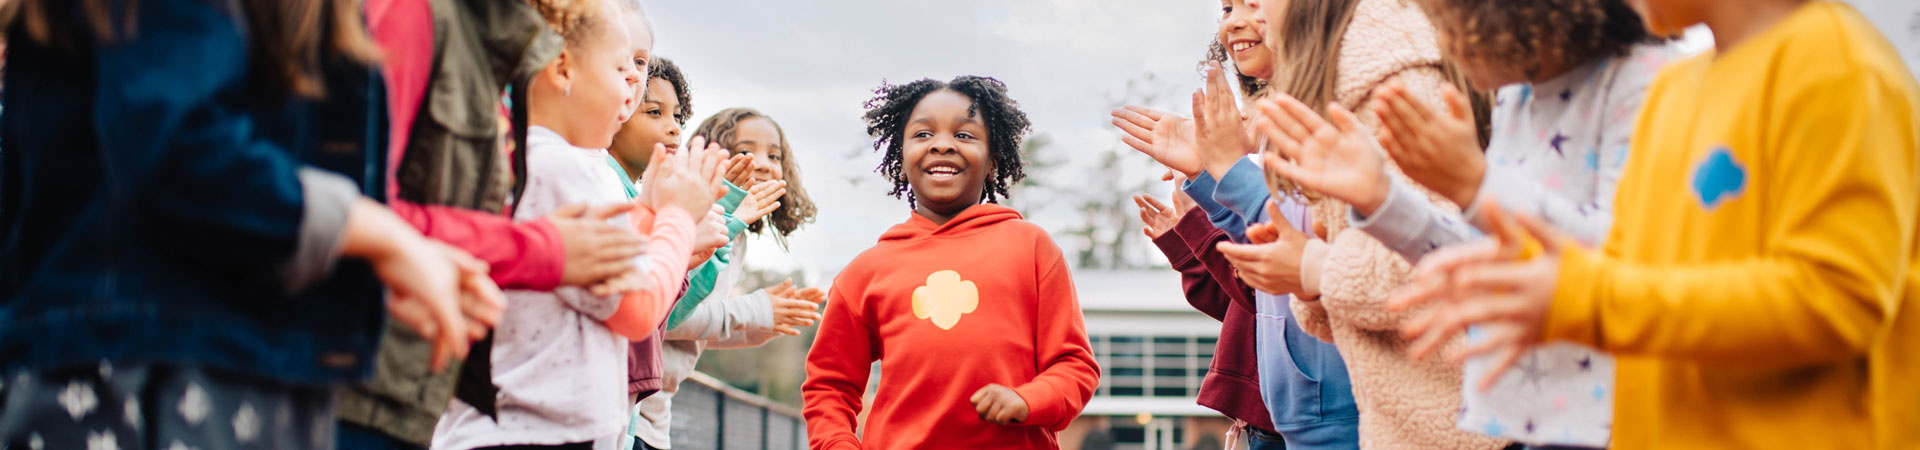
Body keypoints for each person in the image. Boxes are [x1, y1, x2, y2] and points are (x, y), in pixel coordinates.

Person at [1392, 0, 1920, 448]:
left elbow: (1839, 298)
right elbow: (1627, 276)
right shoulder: (1674, 91)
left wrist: (1584, 298)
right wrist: (1534, 285)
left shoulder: (1835, 66)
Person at [0, 0, 495, 447]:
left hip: (245, 378)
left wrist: (369, 255)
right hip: (151, 382)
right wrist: (375, 234)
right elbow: (176, 152)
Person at [1254, 0, 1670, 446]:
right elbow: (1486, 258)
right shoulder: (1517, 94)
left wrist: (1476, 184)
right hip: (1526, 424)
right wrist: (1383, 202)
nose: (1435, 40)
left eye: (1443, 19)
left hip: (1617, 420)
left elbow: (1622, 260)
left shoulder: (1644, 82)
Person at [337, 0, 652, 447]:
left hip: (412, 395)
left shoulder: (497, 47)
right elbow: (354, 209)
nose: (630, 80)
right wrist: (540, 251)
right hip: (357, 386)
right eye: (622, 66)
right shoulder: (413, 12)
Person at [427, 0, 723, 447]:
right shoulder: (565, 170)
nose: (633, 82)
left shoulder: (536, 160)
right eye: (621, 66)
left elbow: (599, 277)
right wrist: (677, 220)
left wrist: (646, 214)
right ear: (563, 69)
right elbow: (636, 309)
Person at [803, 76, 1099, 449]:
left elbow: (1075, 367)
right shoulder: (865, 272)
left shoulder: (1033, 248)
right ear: (901, 155)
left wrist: (1028, 400)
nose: (942, 144)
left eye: (964, 135)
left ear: (993, 161)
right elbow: (829, 385)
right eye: (923, 134)